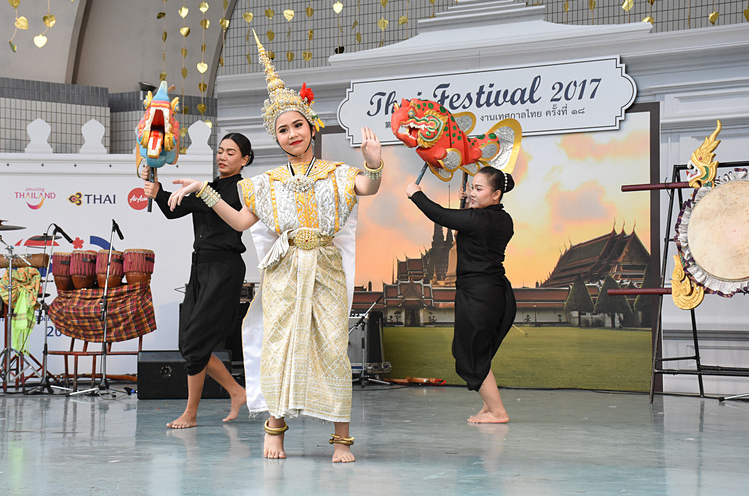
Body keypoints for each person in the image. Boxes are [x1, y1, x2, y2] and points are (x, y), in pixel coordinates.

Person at [166, 35, 382, 462]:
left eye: (297, 125)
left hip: (326, 269)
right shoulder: (265, 185)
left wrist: (374, 162)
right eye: (283, 130)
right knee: (279, 345)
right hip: (284, 272)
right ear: (276, 138)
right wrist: (205, 193)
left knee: (332, 346)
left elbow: (367, 188)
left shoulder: (338, 173)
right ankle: (275, 429)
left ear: (310, 125)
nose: (292, 134)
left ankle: (341, 439)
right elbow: (242, 221)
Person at [141, 133, 252, 428]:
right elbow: (173, 209)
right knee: (190, 345)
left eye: (231, 152)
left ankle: (191, 413)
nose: (223, 156)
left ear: (245, 160)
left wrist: (200, 191)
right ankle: (236, 391)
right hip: (199, 266)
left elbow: (223, 209)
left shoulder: (242, 189)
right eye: (220, 151)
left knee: (196, 342)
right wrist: (157, 190)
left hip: (225, 268)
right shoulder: (209, 188)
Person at [406, 166, 517, 424]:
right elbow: (470, 226)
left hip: (478, 295)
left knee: (470, 355)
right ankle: (490, 407)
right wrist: (470, 203)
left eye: (479, 189)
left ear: (496, 194)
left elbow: (441, 215)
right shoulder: (503, 219)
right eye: (471, 187)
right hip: (492, 292)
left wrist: (416, 194)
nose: (472, 192)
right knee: (475, 352)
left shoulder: (478, 220)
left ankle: (498, 411)